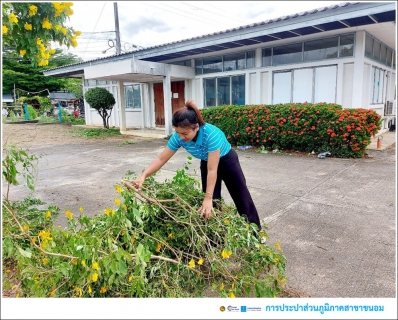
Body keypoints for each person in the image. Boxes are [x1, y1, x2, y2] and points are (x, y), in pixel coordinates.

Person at [133, 100, 264, 241]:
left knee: (241, 195)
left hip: (227, 160)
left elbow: (213, 170)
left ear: (196, 127)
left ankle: (255, 233)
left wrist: (207, 197)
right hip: (207, 161)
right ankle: (216, 237)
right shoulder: (179, 137)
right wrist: (144, 175)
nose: (181, 137)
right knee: (212, 202)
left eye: (184, 133)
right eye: (178, 132)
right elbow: (161, 159)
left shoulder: (211, 134)